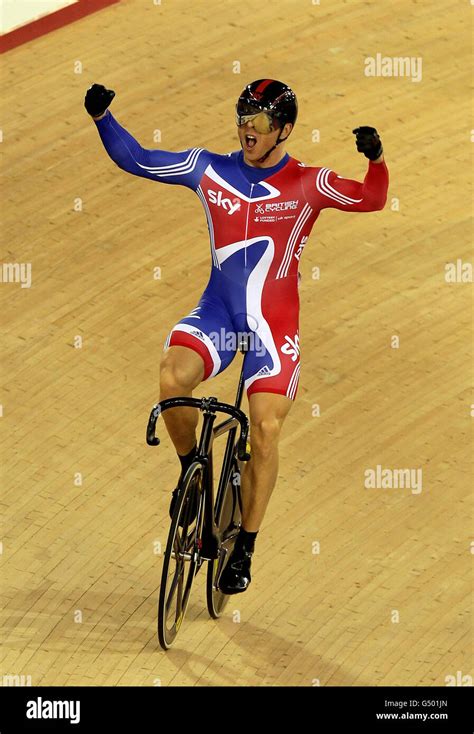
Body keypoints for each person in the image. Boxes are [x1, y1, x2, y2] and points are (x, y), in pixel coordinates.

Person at [85, 79, 389, 595]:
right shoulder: (208, 169)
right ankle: (193, 477)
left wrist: (376, 159)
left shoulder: (309, 183)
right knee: (171, 375)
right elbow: (136, 158)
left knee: (265, 429)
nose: (248, 129)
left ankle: (245, 544)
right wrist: (102, 118)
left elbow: (372, 200)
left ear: (284, 130)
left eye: (260, 122)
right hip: (220, 316)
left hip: (272, 328)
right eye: (243, 117)